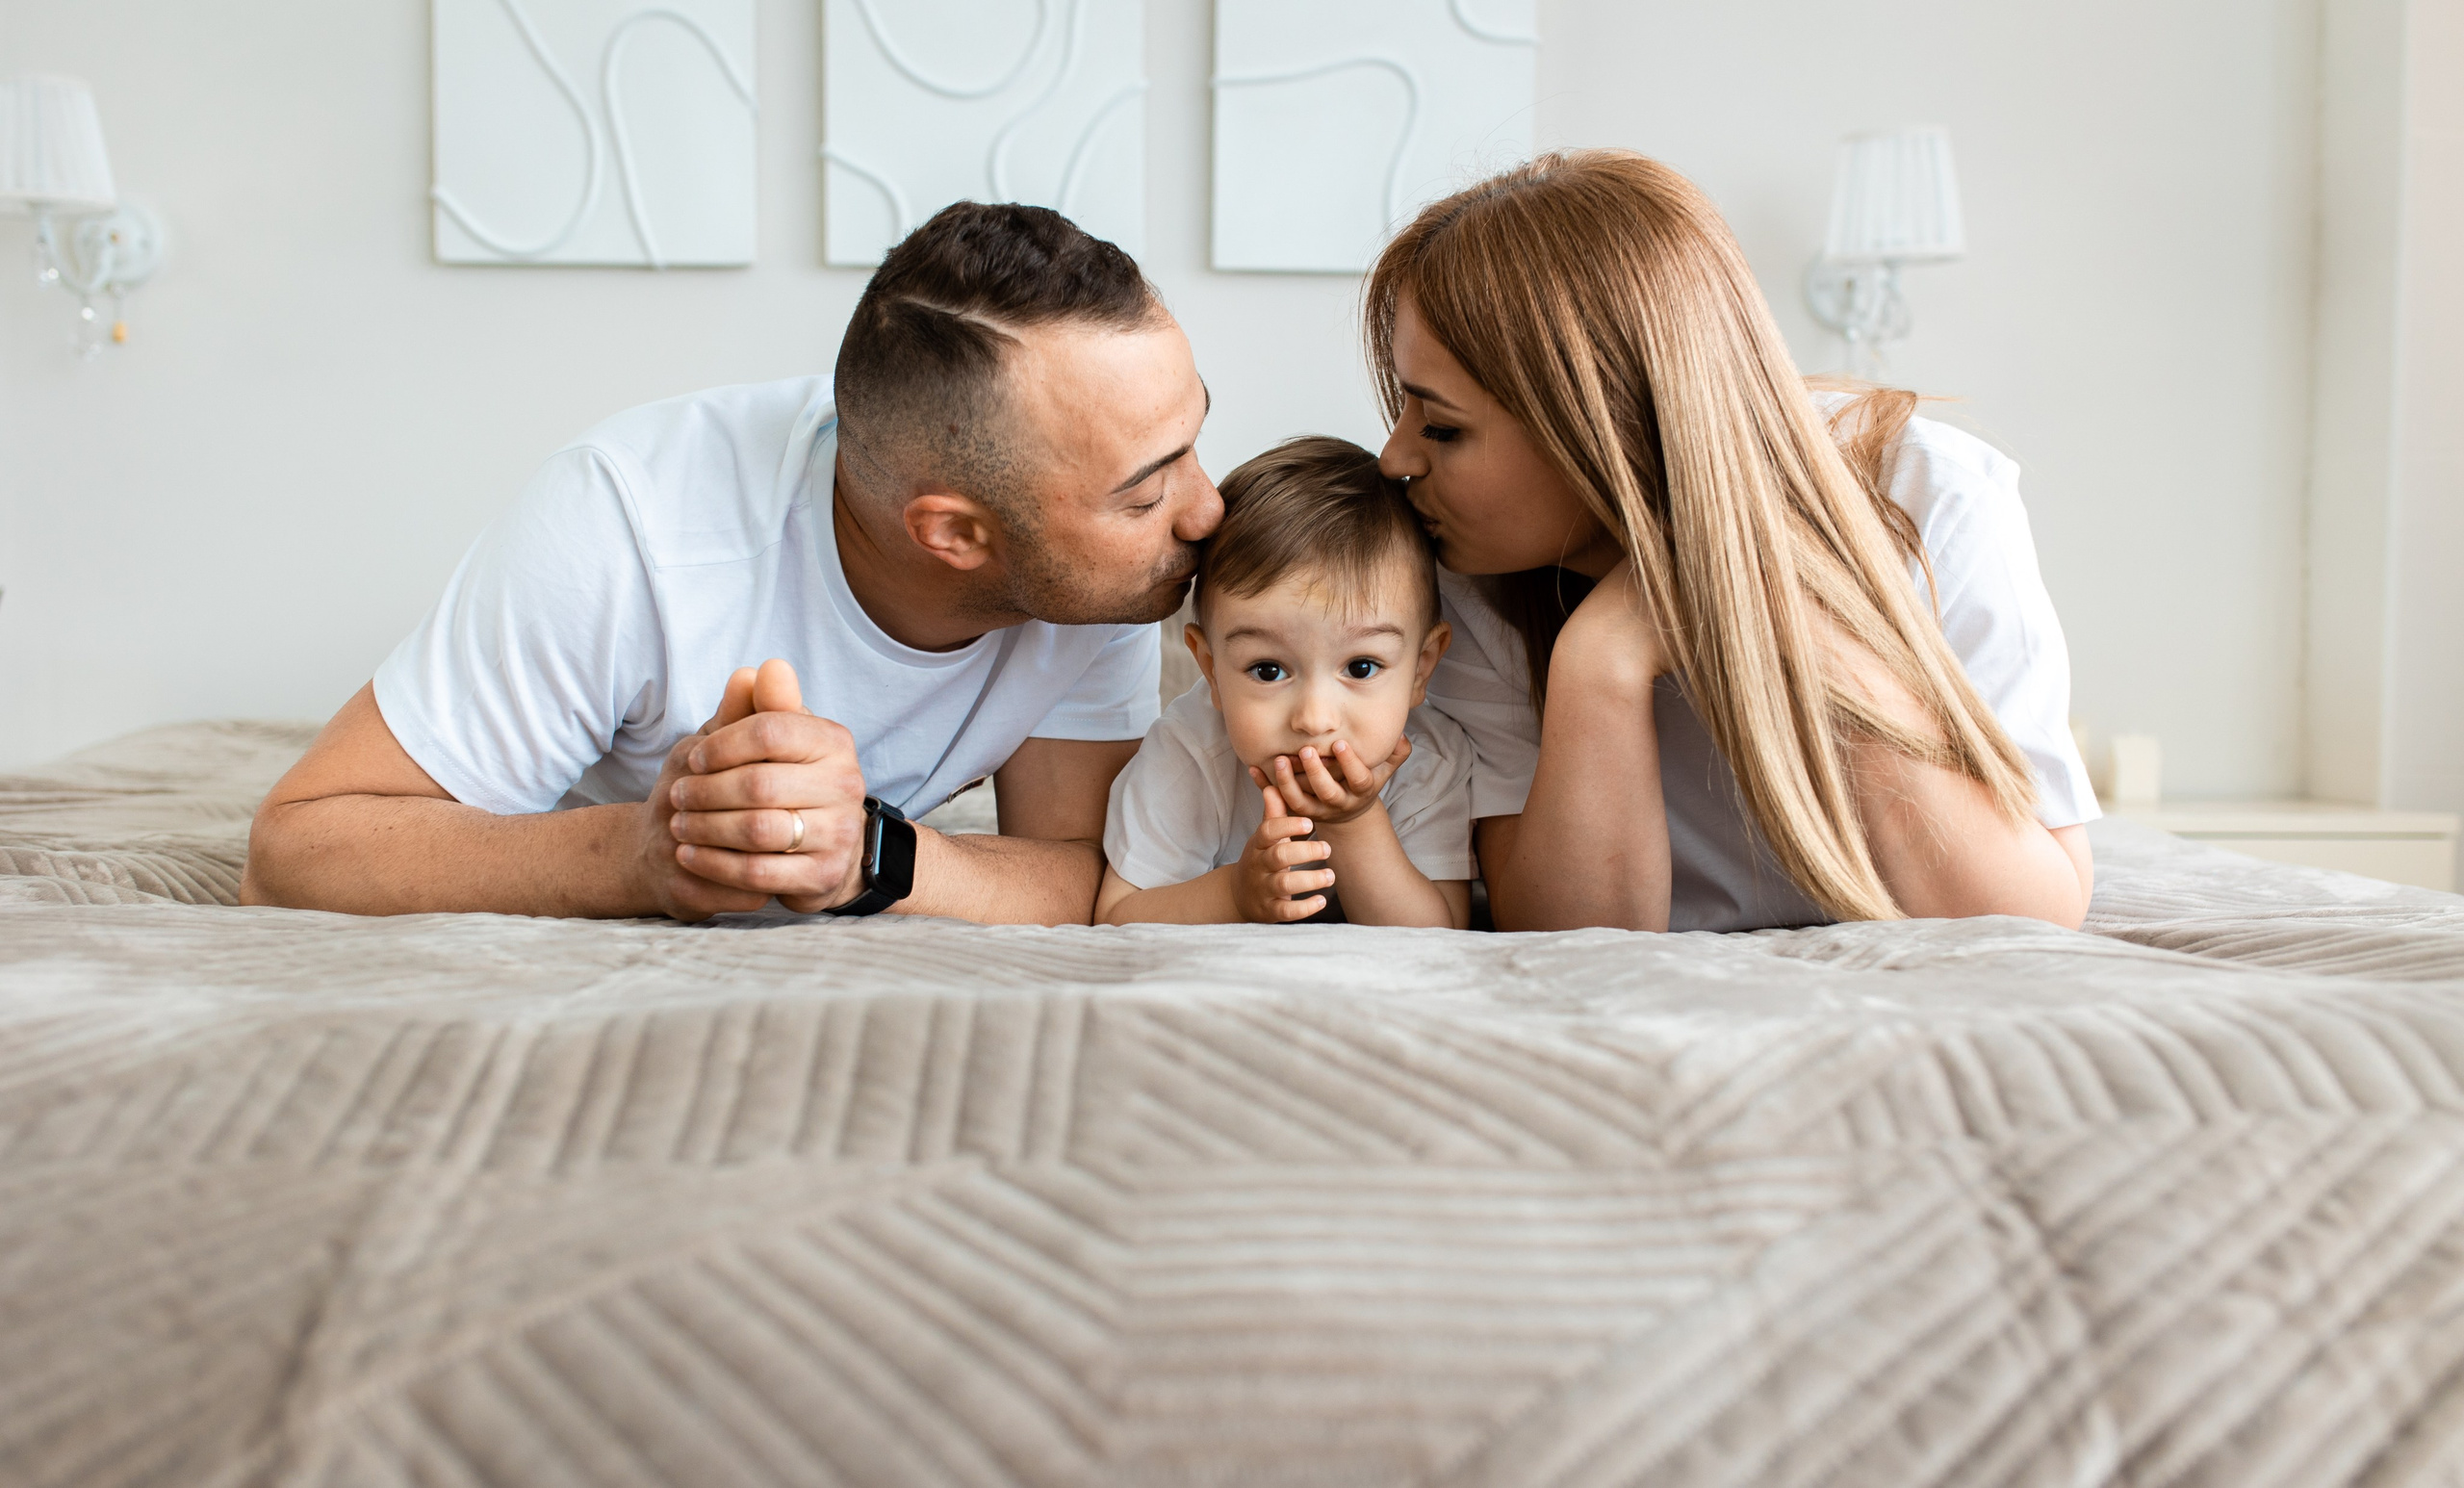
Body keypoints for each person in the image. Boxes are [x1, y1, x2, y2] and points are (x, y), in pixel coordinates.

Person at [242, 202, 1221, 923]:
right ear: (955, 534)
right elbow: (293, 851)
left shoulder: (1109, 575)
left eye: (1190, 442)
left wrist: (872, 857)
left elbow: (1090, 877)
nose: (1206, 508)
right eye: (1145, 490)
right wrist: (642, 851)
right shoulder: (627, 525)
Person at [1370, 150, 2099, 934]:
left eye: (1442, 426)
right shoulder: (1473, 573)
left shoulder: (1933, 499)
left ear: (1598, 423)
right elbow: (1571, 941)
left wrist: (1800, 626)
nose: (1394, 459)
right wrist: (1600, 660)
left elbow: (2031, 916)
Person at [1096, 437, 1475, 929]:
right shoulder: (1188, 753)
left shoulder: (1433, 761)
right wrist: (1233, 896)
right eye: (1268, 670)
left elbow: (1440, 938)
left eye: (1360, 667)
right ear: (1210, 669)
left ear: (1421, 668)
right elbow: (1117, 917)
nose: (1314, 718)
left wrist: (1355, 822)